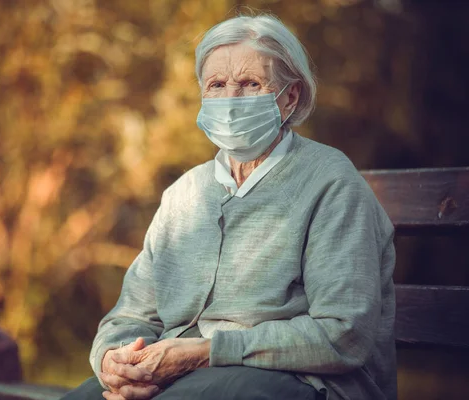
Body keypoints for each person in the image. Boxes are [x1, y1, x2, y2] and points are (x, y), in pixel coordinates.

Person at [61, 13, 396, 400]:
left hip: (302, 381)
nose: (231, 99)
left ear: (290, 97)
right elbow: (132, 314)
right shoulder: (184, 194)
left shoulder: (331, 182)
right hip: (187, 378)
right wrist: (113, 360)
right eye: (216, 85)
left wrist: (206, 353)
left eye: (250, 83)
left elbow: (344, 333)